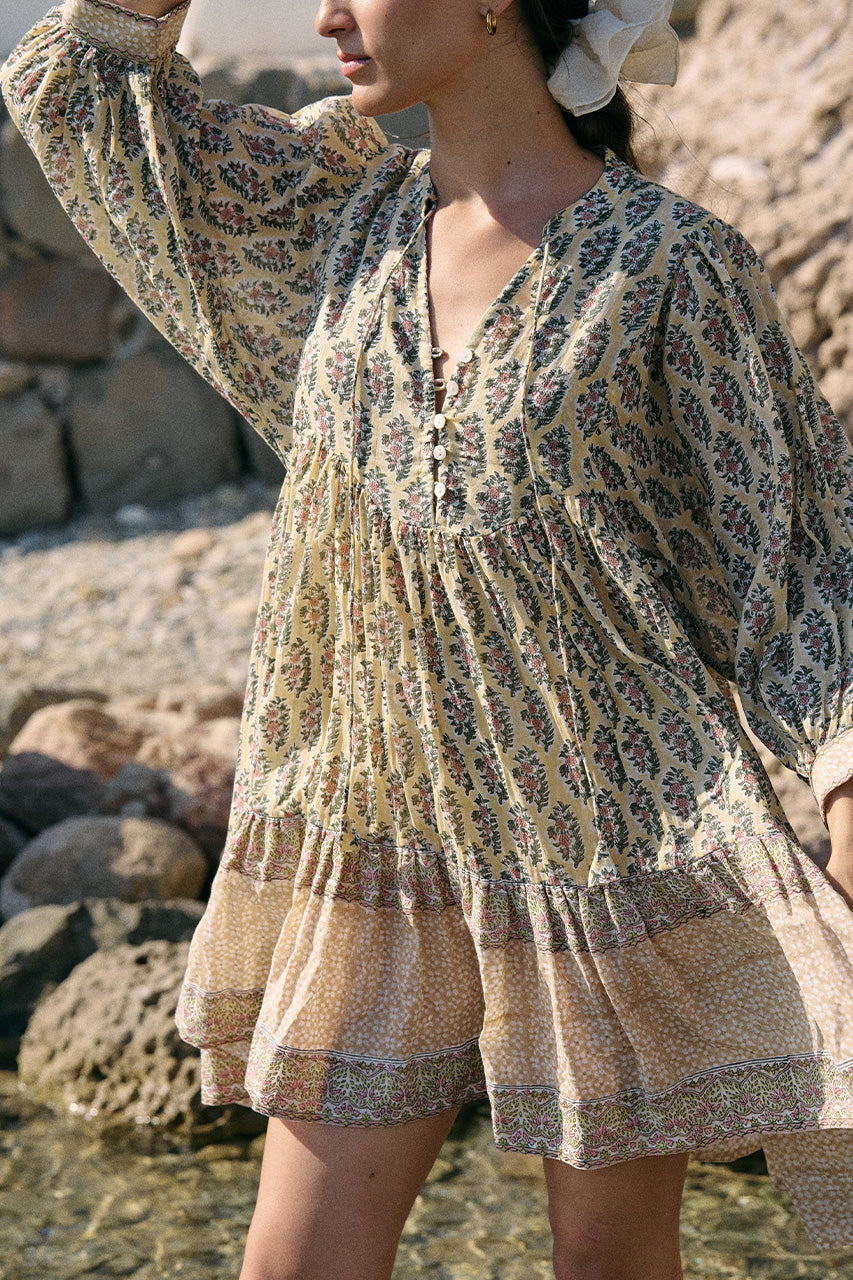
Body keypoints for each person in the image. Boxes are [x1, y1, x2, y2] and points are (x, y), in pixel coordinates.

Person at [4, 0, 853, 1275]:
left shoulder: (673, 265)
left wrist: (843, 788)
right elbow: (75, 92)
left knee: (605, 1262)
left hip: (603, 847)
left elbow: (789, 561)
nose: (325, 10)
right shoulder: (332, 219)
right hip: (374, 830)